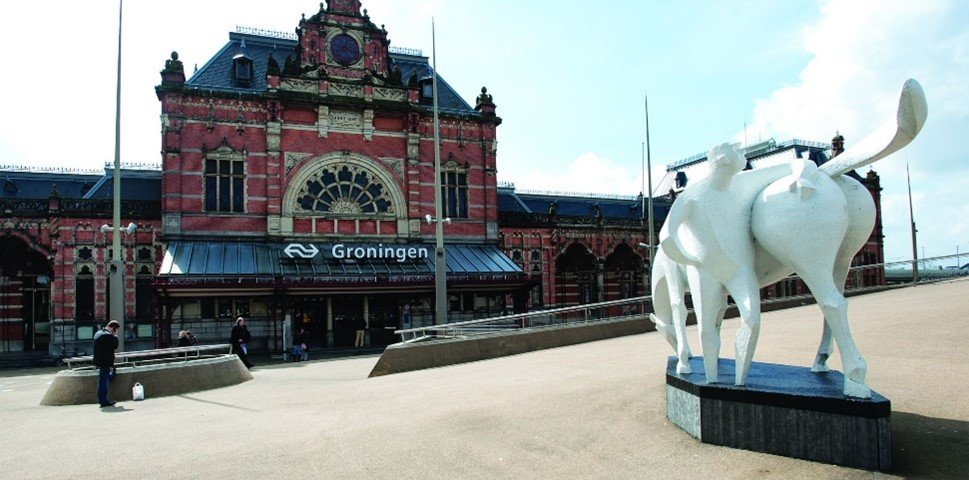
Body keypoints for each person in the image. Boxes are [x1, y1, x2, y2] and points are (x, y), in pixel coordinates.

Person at [93, 320, 120, 407]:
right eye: (116, 330)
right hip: (105, 362)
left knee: (103, 379)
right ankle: (103, 401)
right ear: (113, 328)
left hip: (99, 361)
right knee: (103, 382)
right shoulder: (107, 335)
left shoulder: (98, 333)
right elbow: (115, 345)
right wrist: (115, 336)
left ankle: (102, 399)